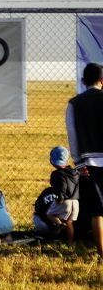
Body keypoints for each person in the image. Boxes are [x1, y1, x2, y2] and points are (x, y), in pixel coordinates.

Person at [67, 62, 103, 257]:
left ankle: (101, 250)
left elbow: (72, 135)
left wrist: (78, 162)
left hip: (89, 163)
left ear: (83, 81)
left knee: (97, 210)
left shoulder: (74, 103)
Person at [47, 146, 79, 242]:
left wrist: (60, 197)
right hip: (75, 202)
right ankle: (70, 243)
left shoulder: (56, 174)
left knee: (50, 214)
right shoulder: (75, 172)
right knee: (70, 222)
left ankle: (60, 225)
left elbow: (62, 187)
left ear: (52, 161)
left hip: (65, 200)